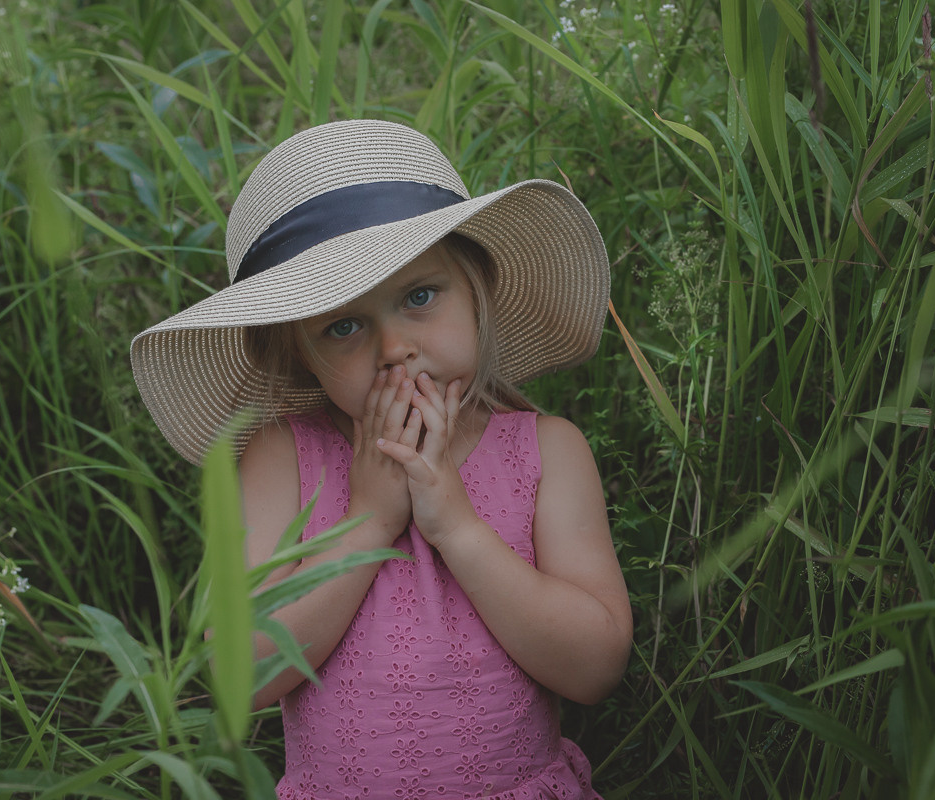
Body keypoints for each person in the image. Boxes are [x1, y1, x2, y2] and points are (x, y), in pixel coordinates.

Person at [130, 119, 632, 799]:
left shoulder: (546, 451)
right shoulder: (285, 458)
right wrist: (365, 524)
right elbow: (235, 675)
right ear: (297, 352)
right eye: (343, 325)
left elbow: (596, 667)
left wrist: (458, 526)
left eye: (420, 296)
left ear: (477, 286)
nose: (394, 346)